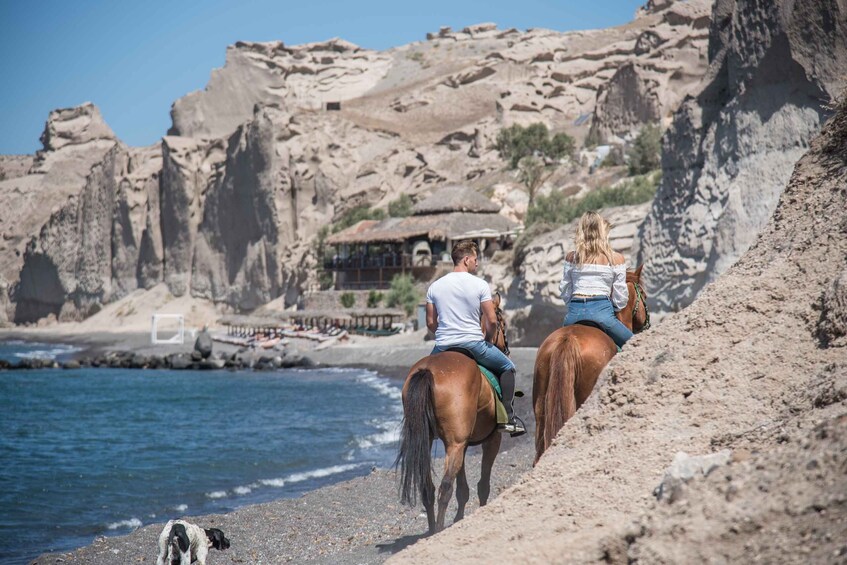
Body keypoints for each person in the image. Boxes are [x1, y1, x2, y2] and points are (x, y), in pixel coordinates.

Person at [426, 240, 525, 435]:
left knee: (423, 376)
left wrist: (445, 334)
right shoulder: (480, 284)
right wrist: (488, 340)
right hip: (473, 344)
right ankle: (508, 418)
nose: (477, 263)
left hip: (443, 345)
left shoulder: (435, 286)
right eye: (475, 259)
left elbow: (430, 323)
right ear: (466, 259)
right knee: (508, 367)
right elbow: (492, 320)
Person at [559, 211, 633, 348]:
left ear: (580, 231)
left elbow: (565, 290)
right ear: (602, 231)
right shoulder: (616, 258)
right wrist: (615, 307)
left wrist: (575, 305)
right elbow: (620, 297)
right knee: (635, 345)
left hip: (574, 313)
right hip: (602, 313)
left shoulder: (571, 257)